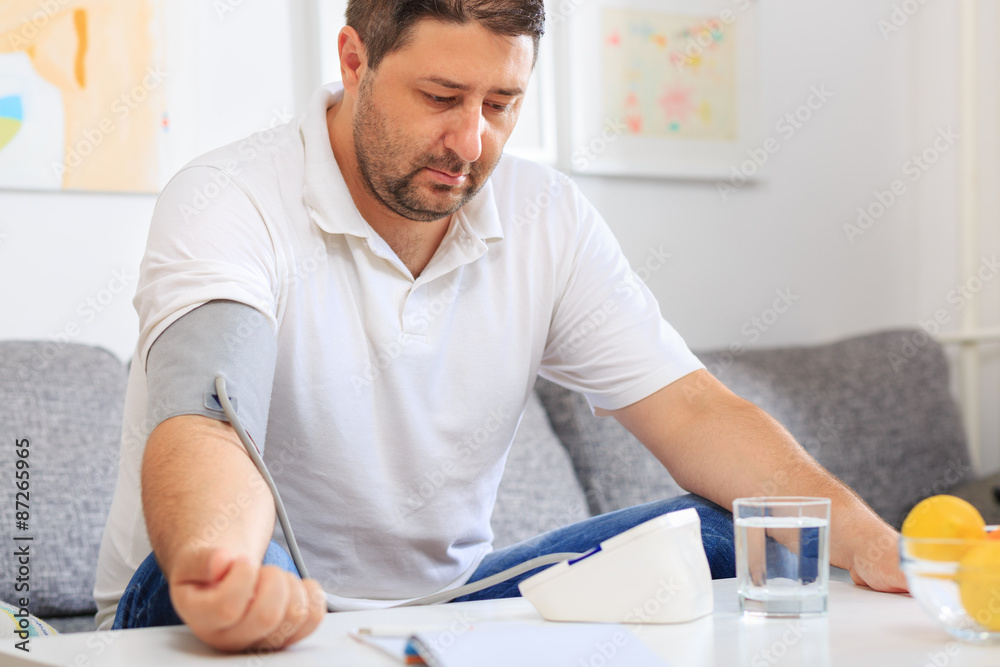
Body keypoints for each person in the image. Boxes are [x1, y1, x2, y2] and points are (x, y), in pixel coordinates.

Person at [94, 0, 907, 653]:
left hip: (446, 608)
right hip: (222, 586)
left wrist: (879, 546)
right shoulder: (228, 198)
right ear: (353, 59)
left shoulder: (544, 215)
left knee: (735, 533)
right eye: (441, 98)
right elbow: (207, 418)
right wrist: (225, 566)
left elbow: (693, 410)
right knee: (207, 573)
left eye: (502, 103)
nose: (471, 142)